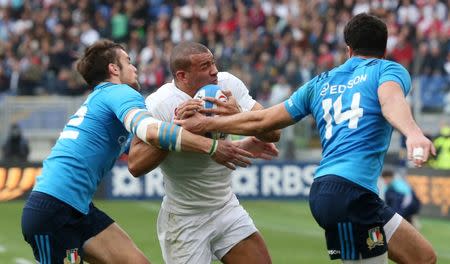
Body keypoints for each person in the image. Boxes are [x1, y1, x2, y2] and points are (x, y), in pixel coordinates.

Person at [177, 14, 437, 263]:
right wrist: (413, 133)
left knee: (422, 257)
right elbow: (390, 100)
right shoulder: (387, 70)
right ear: (384, 49)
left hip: (334, 192)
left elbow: (264, 120)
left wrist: (209, 122)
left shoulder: (320, 82)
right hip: (352, 195)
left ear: (348, 50)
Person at [21, 39, 253, 264]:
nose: (135, 67)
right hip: (53, 211)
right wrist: (212, 146)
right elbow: (150, 132)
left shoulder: (101, 100)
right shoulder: (120, 93)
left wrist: (234, 142)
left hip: (78, 210)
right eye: (128, 61)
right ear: (114, 68)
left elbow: (144, 150)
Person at [128, 41, 280, 264]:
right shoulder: (159, 103)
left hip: (225, 206)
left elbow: (273, 132)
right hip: (184, 218)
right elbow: (135, 164)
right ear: (182, 76)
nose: (214, 71)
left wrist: (236, 116)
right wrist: (177, 128)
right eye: (205, 66)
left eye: (213, 62)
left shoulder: (227, 85)